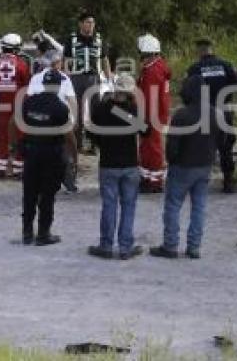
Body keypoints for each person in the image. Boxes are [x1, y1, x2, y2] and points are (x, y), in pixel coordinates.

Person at [150, 75, 221, 260]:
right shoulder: (215, 113)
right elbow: (224, 139)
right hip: (205, 165)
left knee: (173, 206)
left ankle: (170, 246)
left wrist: (171, 161)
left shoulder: (182, 115)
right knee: (199, 207)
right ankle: (194, 247)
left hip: (182, 166)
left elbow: (172, 145)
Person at [87, 74, 148, 260]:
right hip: (129, 164)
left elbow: (91, 132)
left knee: (109, 205)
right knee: (129, 206)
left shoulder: (101, 108)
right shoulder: (132, 110)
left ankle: (106, 245)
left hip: (108, 164)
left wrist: (101, 144)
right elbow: (147, 130)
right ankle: (125, 247)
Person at [20, 69, 76, 246]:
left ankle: (27, 233)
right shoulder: (60, 108)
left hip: (31, 152)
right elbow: (68, 134)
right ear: (59, 86)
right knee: (47, 195)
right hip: (51, 154)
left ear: (43, 84)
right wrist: (74, 155)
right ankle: (43, 234)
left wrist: (14, 147)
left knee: (29, 193)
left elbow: (15, 123)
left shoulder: (29, 102)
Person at [186, 39, 237, 193]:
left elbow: (186, 91)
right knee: (226, 148)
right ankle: (228, 182)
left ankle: (199, 183)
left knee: (201, 146)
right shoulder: (226, 65)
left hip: (203, 112)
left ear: (199, 50)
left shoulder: (195, 68)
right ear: (212, 49)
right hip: (224, 110)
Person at [28, 49, 79, 192]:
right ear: (56, 63)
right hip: (60, 117)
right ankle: (70, 178)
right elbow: (72, 100)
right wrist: (74, 120)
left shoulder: (35, 78)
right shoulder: (64, 78)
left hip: (39, 118)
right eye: (60, 62)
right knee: (67, 149)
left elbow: (30, 99)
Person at [64, 11, 112, 153]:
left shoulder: (99, 39)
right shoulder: (71, 39)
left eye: (92, 23)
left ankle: (94, 144)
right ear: (81, 24)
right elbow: (66, 60)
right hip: (76, 77)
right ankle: (77, 144)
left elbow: (104, 60)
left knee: (95, 110)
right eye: (88, 22)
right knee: (75, 110)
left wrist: (109, 79)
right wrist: (66, 78)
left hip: (94, 78)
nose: (91, 25)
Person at [0, 33, 31, 178]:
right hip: (18, 100)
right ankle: (18, 167)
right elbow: (26, 83)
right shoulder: (21, 63)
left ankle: (0, 166)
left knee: (2, 134)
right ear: (16, 48)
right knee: (20, 133)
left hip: (2, 101)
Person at [137, 34, 172, 193]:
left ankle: (155, 181)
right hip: (156, 114)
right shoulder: (158, 67)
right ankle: (147, 178)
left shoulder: (152, 71)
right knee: (148, 148)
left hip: (152, 116)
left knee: (153, 148)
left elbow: (149, 97)